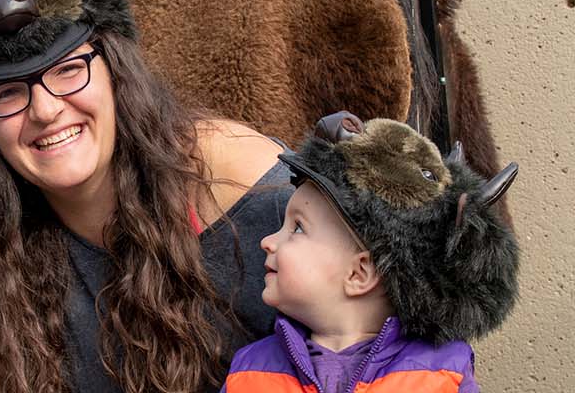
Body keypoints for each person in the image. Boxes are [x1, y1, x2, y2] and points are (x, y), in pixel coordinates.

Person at [0, 0, 292, 391]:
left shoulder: (245, 189)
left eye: (69, 69)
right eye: (8, 93)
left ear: (114, 69)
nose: (46, 110)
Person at [223, 112, 520, 393]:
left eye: (297, 228)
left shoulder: (443, 375)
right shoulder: (248, 371)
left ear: (359, 273)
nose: (267, 241)